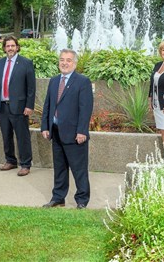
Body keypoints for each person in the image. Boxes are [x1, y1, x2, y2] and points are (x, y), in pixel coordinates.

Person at [41, 49, 93, 209]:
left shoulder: (82, 81)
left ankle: (82, 200)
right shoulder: (54, 81)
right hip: (55, 131)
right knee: (59, 168)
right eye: (62, 59)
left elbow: (86, 108)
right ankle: (58, 198)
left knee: (79, 169)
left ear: (75, 63)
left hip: (74, 134)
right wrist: (45, 126)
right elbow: (48, 105)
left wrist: (82, 131)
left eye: (68, 60)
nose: (64, 63)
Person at [0, 35, 36, 176]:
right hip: (2, 106)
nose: (10, 48)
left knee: (23, 136)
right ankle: (10, 161)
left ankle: (25, 164)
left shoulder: (26, 63)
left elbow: (31, 88)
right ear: (4, 48)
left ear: (17, 47)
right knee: (6, 135)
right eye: (7, 46)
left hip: (20, 107)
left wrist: (29, 106)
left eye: (12, 45)